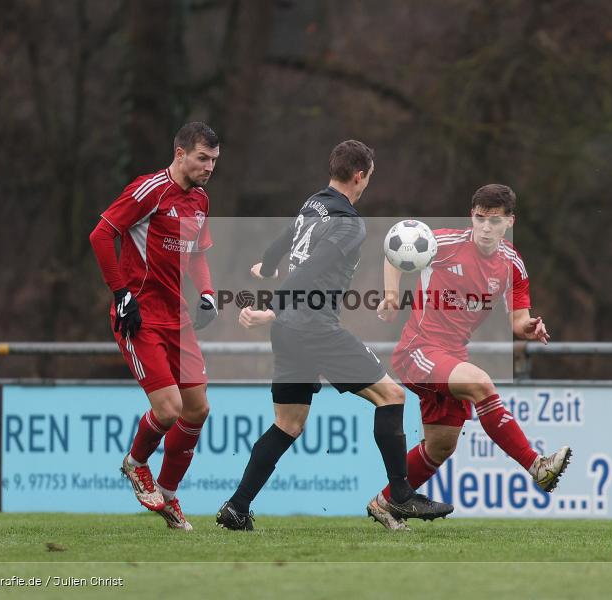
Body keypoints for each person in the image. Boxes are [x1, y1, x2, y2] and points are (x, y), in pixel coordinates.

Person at [215, 140, 453, 530]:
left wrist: (269, 265)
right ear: (359, 176)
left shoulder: (313, 203)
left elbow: (285, 238)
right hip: (313, 327)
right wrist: (274, 304)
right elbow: (314, 268)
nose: (366, 185)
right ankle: (402, 496)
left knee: (288, 423)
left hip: (289, 333)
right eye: (368, 178)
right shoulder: (349, 224)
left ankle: (237, 507)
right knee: (391, 396)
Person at [368, 184, 572, 530]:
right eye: (480, 219)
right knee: (481, 383)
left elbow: (518, 320)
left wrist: (530, 328)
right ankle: (537, 466)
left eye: (494, 221)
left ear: (510, 222)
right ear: (471, 217)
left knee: (440, 447)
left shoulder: (513, 265)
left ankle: (385, 502)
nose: (486, 228)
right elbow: (394, 249)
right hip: (419, 349)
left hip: (452, 354)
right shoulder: (444, 244)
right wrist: (391, 296)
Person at [88, 122, 221, 531]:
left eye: (214, 160)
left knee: (198, 409)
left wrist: (208, 292)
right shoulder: (149, 190)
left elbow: (197, 255)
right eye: (202, 158)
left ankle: (166, 494)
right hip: (140, 316)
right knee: (169, 409)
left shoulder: (199, 200)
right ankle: (135, 461)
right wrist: (120, 293)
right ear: (179, 153)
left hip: (176, 316)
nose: (209, 167)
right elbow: (101, 234)